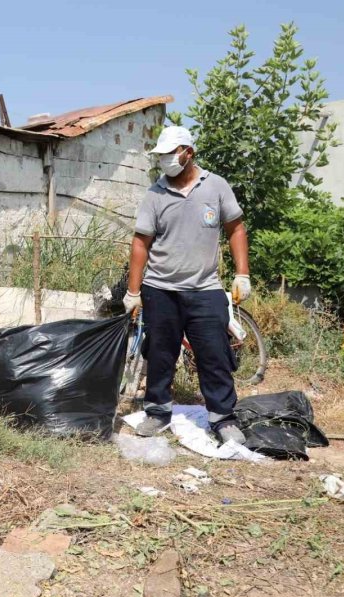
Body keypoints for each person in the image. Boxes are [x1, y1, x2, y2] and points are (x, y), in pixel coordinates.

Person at [123, 126, 251, 443]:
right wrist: (133, 291)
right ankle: (157, 413)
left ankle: (223, 418)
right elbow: (141, 242)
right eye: (161, 155)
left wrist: (242, 273)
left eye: (170, 154)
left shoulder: (216, 187)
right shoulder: (154, 194)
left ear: (188, 153)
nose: (165, 160)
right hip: (160, 289)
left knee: (214, 355)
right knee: (161, 354)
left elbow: (236, 228)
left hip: (205, 289)